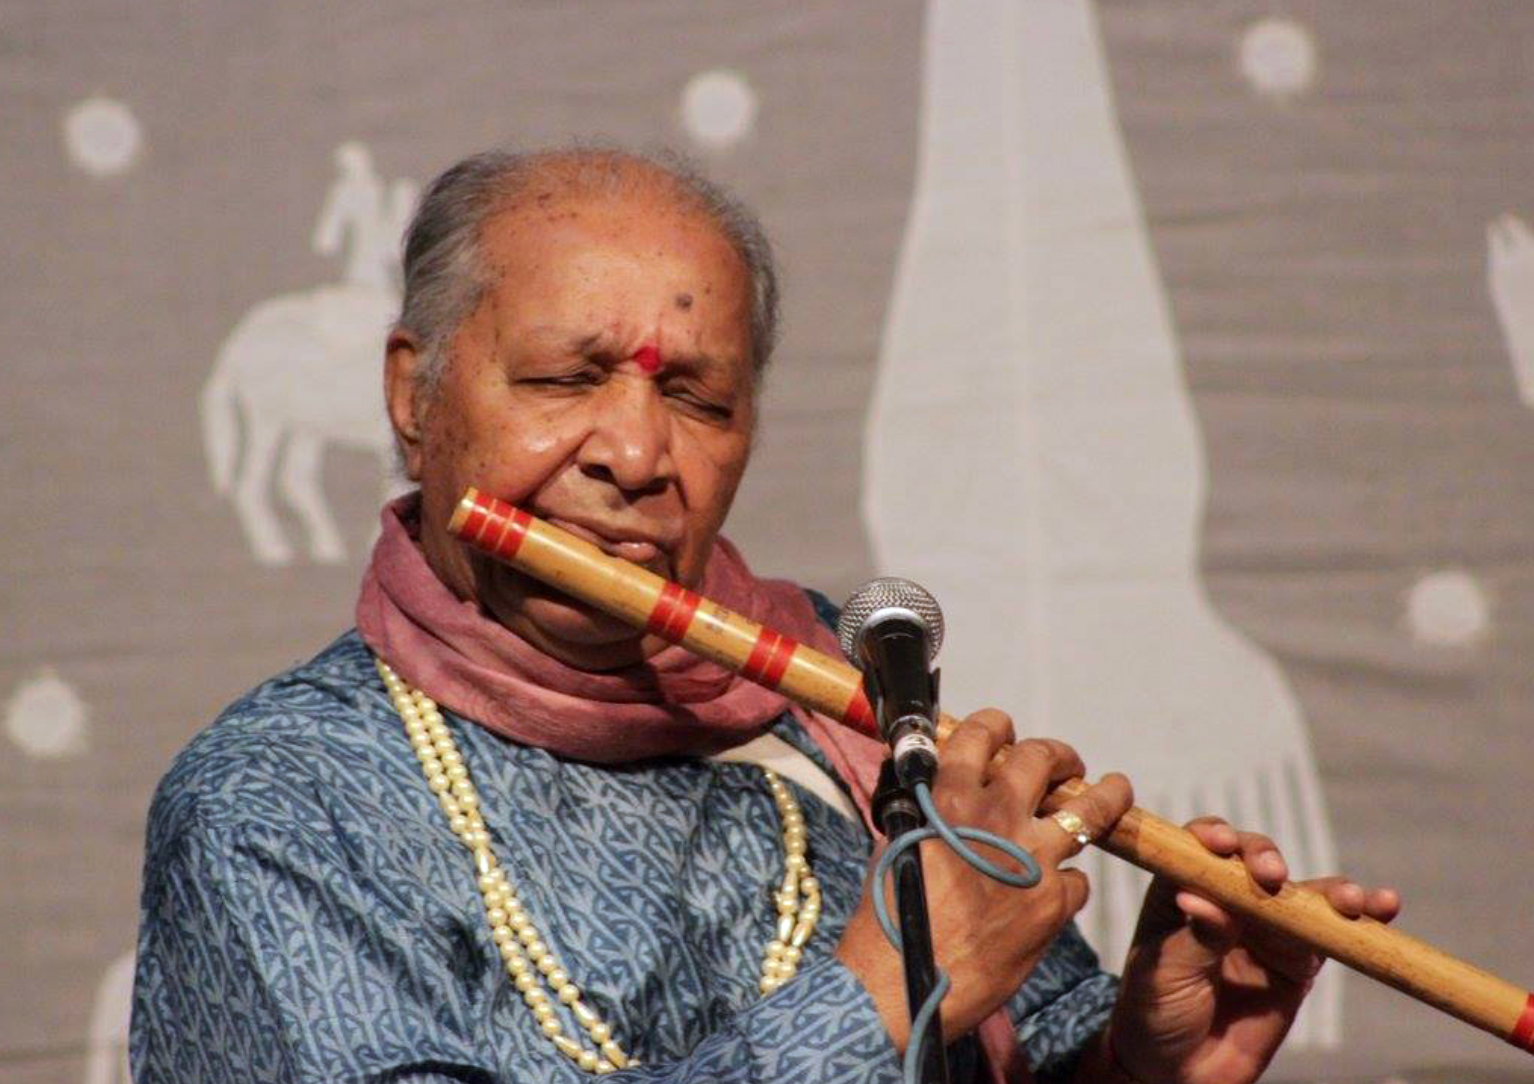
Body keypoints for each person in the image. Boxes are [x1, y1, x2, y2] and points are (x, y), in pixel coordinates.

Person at [131, 147, 1400, 1084]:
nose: (637, 454)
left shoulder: (836, 690)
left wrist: (1138, 1064)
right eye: (567, 377)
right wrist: (881, 992)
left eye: (699, 399)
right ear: (414, 398)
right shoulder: (273, 801)